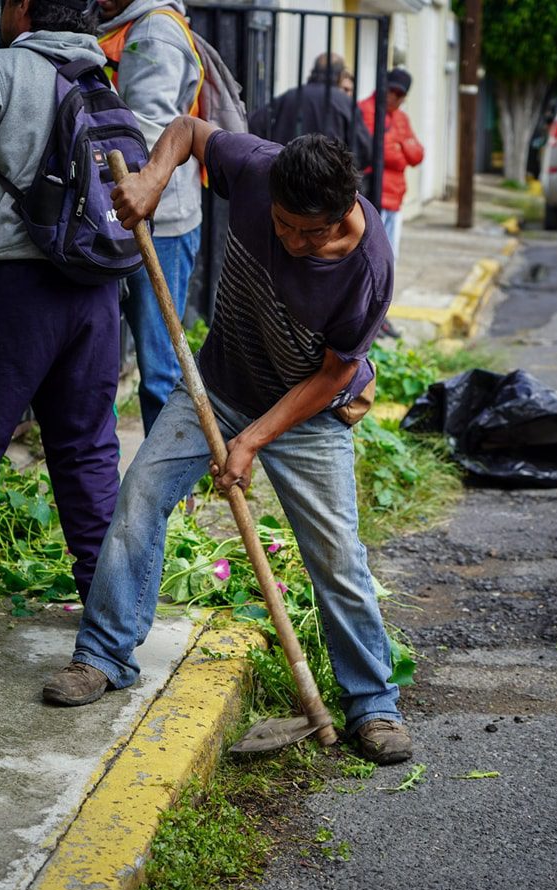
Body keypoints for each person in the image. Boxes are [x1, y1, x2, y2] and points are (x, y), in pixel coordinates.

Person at [42, 120, 414, 766]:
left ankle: (372, 703)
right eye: (283, 225)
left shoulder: (368, 267)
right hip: (218, 383)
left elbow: (333, 374)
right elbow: (187, 130)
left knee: (336, 555)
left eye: (310, 232)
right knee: (139, 497)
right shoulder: (257, 168)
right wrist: (154, 180)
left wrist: (250, 442)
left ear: (344, 211)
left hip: (308, 411)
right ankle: (102, 654)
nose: (293, 240)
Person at [0, 0, 121, 604]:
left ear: (22, 11)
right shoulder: (103, 83)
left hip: (16, 287)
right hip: (97, 290)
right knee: (88, 451)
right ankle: (108, 619)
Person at [97, 0, 203, 435]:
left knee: (161, 364)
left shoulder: (152, 33)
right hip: (142, 214)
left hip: (159, 222)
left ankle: (174, 482)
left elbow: (146, 130)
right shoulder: (133, 26)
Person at [249, 52, 372, 171]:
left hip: (288, 173)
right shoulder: (344, 102)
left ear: (313, 71)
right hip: (328, 178)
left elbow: (255, 123)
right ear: (340, 75)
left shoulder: (290, 96)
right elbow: (364, 149)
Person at [360, 67, 424, 262]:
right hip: (372, 193)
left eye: (400, 94)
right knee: (368, 255)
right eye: (392, 91)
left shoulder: (401, 118)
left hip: (395, 196)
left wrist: (398, 144)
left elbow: (417, 155)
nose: (394, 97)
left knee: (389, 258)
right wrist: (402, 145)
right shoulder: (366, 108)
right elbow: (379, 150)